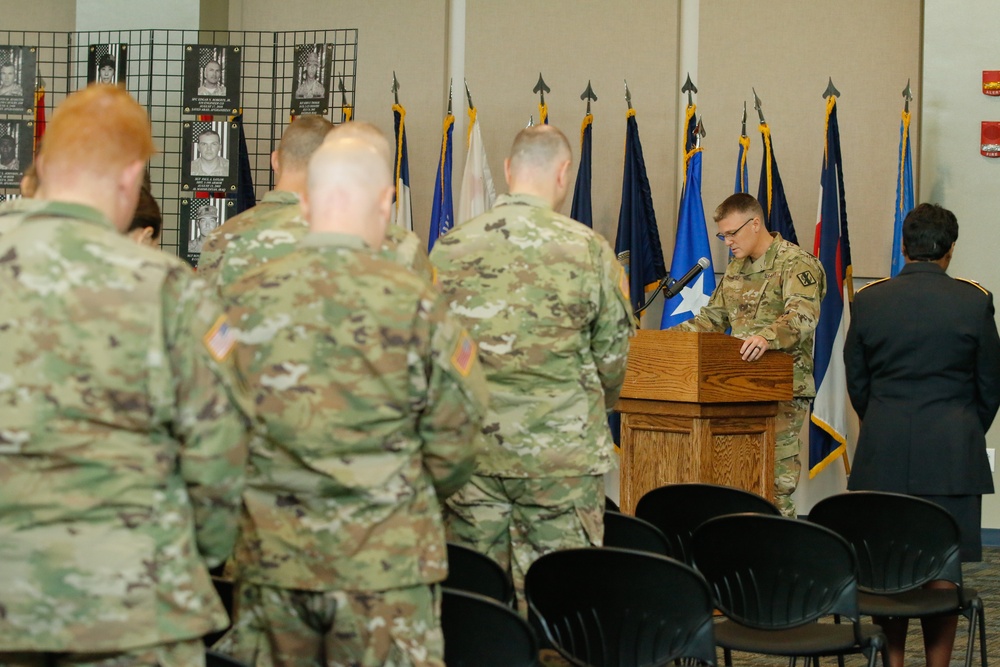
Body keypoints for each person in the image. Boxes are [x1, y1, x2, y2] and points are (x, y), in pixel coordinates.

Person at [0, 84, 251, 666]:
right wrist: (196, 553)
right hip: (130, 605)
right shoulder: (168, 290)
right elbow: (221, 449)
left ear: (40, 164)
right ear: (130, 175)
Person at [215, 133, 488, 666]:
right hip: (384, 565)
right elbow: (461, 431)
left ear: (308, 203)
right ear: (387, 202)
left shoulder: (237, 302)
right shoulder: (418, 305)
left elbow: (209, 429)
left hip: (272, 559)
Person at [430, 124, 635, 613]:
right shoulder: (588, 250)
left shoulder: (450, 248)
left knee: (476, 606)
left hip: (473, 459)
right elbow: (613, 359)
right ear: (564, 173)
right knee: (561, 607)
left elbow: (432, 358)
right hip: (559, 462)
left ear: (507, 170)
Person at [844, 202, 1000, 667]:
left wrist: (884, 422)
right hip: (954, 456)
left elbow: (858, 382)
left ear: (904, 248)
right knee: (942, 573)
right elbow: (990, 385)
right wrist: (964, 429)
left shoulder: (869, 299)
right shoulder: (975, 301)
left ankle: (891, 663)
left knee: (889, 569)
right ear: (950, 249)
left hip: (883, 451)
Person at [672, 192, 825, 517]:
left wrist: (766, 337)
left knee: (773, 486)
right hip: (736, 391)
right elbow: (711, 320)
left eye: (732, 233)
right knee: (737, 483)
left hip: (781, 393)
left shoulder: (796, 262)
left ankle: (781, 559)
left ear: (755, 224)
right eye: (722, 235)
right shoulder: (736, 269)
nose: (727, 242)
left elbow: (803, 316)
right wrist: (663, 343)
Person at [197, 114, 334, 287]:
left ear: (275, 161)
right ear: (333, 168)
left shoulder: (221, 238)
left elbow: (204, 310)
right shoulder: (345, 240)